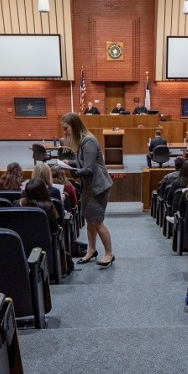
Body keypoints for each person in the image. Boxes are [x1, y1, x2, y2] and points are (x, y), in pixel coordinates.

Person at [60, 112, 115, 267]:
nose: (65, 132)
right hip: (89, 186)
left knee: (97, 221)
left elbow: (89, 169)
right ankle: (91, 250)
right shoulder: (81, 141)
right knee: (89, 220)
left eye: (66, 128)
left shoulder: (88, 141)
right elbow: (83, 161)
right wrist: (69, 162)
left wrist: (70, 170)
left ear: (75, 126)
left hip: (98, 186)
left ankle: (109, 254)